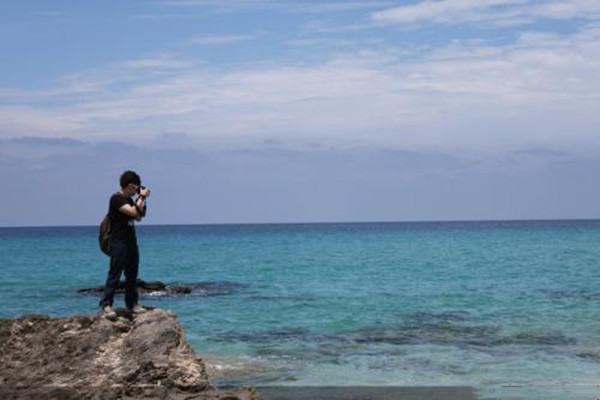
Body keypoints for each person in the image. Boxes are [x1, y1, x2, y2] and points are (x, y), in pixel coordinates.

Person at [100, 170, 151, 320]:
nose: (136, 191)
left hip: (131, 242)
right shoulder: (116, 199)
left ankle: (132, 304)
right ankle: (106, 304)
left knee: (132, 275)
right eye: (135, 188)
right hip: (118, 242)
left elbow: (140, 216)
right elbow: (133, 212)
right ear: (128, 186)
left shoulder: (130, 200)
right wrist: (142, 197)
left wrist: (143, 200)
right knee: (115, 274)